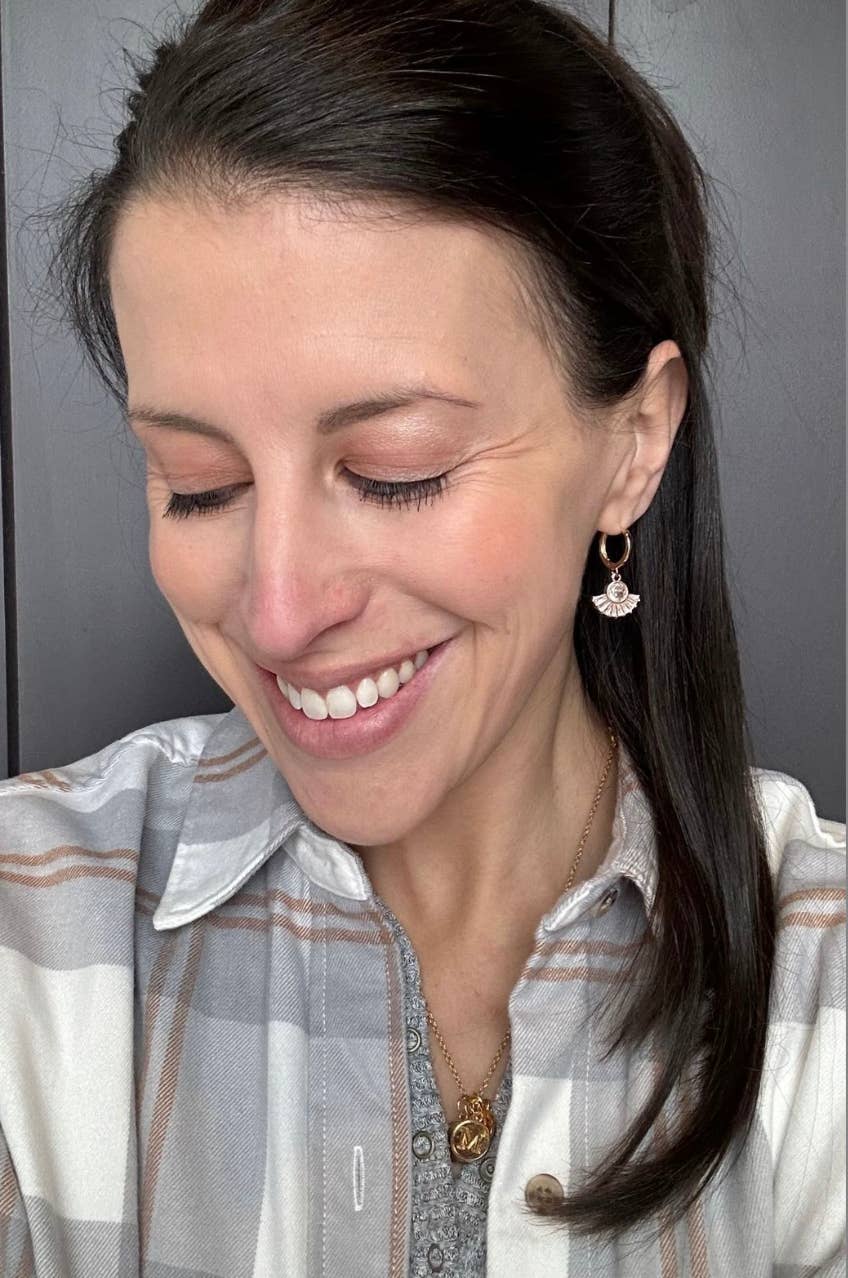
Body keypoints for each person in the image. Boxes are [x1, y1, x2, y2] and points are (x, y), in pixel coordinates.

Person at [0, 0, 844, 1274]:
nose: (278, 612)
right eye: (198, 484)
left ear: (633, 441)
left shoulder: (818, 994)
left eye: (397, 471)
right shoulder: (31, 938)